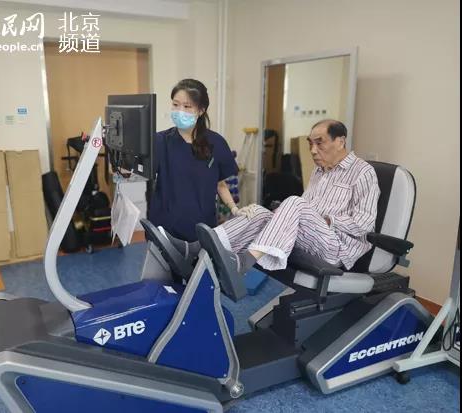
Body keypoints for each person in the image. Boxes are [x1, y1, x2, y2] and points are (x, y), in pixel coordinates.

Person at [164, 119, 381, 277]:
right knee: (259, 211)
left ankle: (245, 262)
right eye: (310, 143)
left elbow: (365, 224)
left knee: (294, 202)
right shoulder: (320, 171)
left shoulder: (363, 172)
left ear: (340, 141)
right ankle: (194, 248)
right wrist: (282, 214)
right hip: (312, 236)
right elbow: (307, 207)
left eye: (320, 143)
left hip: (338, 247)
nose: (313, 150)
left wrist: (327, 220)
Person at [148, 79, 241, 243]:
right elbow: (137, 172)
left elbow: (220, 184)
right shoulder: (160, 141)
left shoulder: (216, 143)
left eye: (187, 106)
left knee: (200, 260)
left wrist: (234, 209)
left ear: (201, 110)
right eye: (175, 105)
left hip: (201, 230)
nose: (180, 111)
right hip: (165, 230)